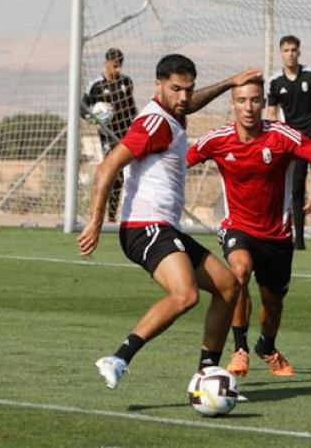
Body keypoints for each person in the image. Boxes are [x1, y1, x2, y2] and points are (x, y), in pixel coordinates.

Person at [78, 55, 262, 390]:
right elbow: (106, 168)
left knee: (229, 286)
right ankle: (119, 358)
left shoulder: (174, 112)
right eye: (175, 89)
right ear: (158, 86)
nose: (182, 97)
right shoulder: (153, 123)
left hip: (163, 228)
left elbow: (189, 104)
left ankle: (205, 375)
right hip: (143, 227)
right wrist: (94, 224)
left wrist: (228, 82)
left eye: (187, 90)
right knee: (186, 294)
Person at [188, 78, 311, 378]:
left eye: (255, 100)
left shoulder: (281, 136)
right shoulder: (216, 139)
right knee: (239, 273)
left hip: (278, 236)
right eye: (242, 100)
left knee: (273, 305)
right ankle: (239, 349)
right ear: (233, 104)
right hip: (237, 227)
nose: (249, 107)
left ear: (263, 103)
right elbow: (177, 162)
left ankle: (266, 347)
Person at [265, 35, 311, 251]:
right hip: (292, 143)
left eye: (293, 50)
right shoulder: (274, 81)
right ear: (281, 53)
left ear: (299, 52)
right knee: (296, 189)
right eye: (286, 50)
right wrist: (270, 140)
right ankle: (298, 240)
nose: (290, 54)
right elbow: (271, 113)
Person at [80, 47, 138, 222]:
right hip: (108, 135)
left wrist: (136, 124)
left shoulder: (126, 82)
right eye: (115, 65)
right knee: (114, 173)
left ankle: (121, 215)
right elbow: (82, 107)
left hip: (126, 133)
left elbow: (131, 107)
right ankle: (108, 216)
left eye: (120, 65)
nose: (118, 69)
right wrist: (94, 119)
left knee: (129, 174)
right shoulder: (96, 84)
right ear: (107, 64)